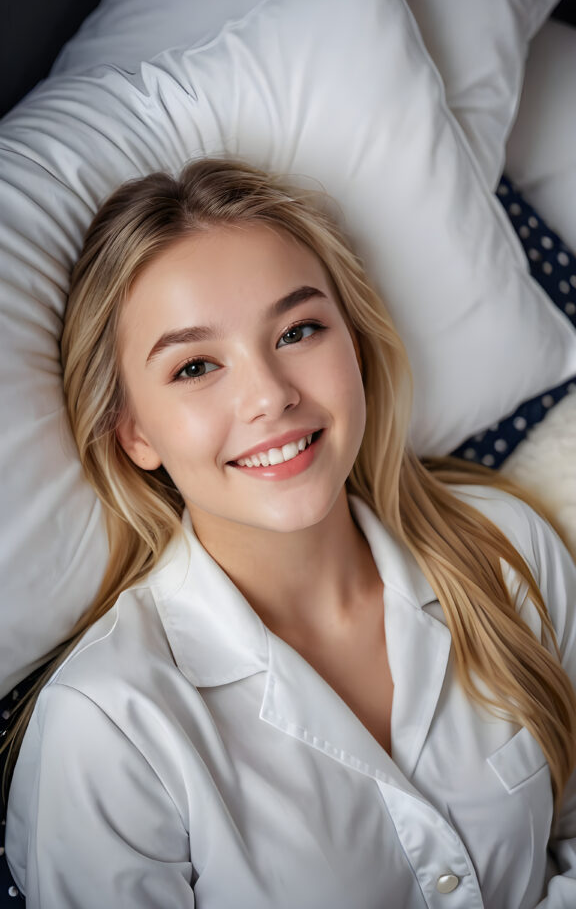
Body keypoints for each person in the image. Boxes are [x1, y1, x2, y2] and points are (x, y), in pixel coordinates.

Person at [4, 157, 576, 909]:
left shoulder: (506, 549)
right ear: (134, 433)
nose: (270, 396)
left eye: (298, 330)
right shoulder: (106, 726)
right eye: (195, 367)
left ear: (355, 346)